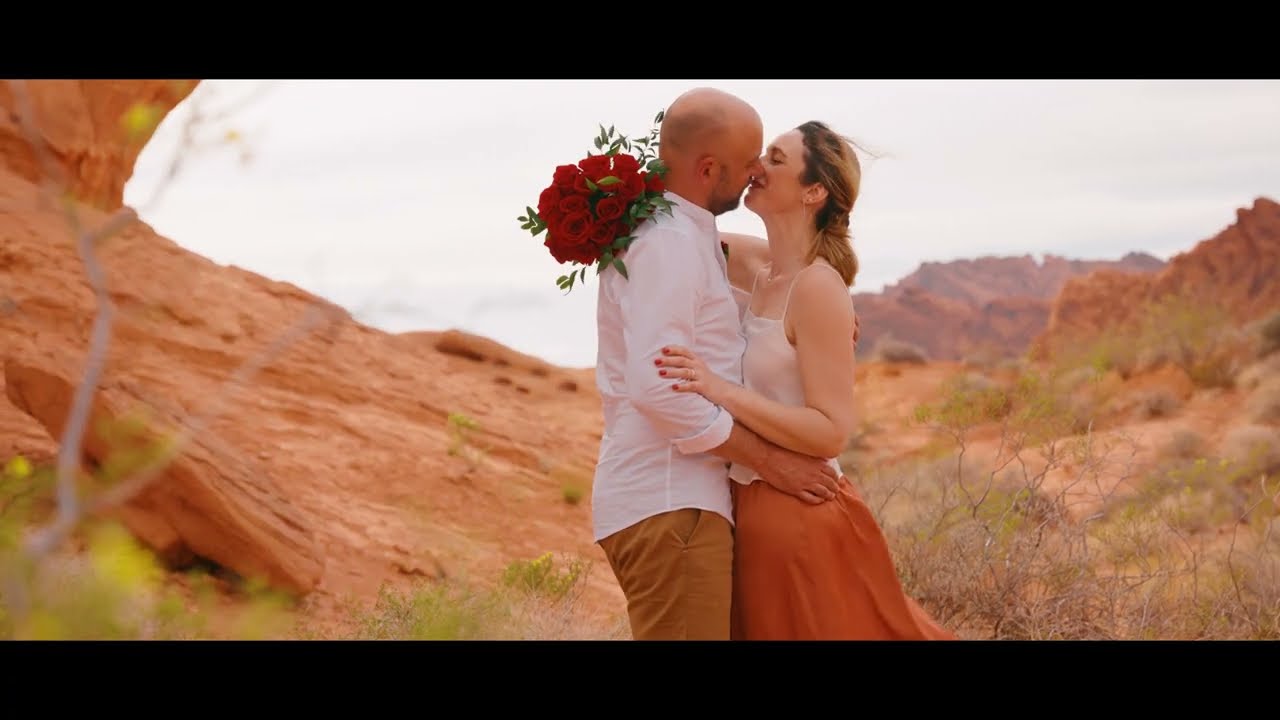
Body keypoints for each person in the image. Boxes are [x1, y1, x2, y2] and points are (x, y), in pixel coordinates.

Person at [653, 120, 958, 640]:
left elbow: (830, 430)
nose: (757, 168)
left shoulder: (818, 288)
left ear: (814, 191)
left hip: (799, 515)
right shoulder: (758, 268)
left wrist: (720, 389)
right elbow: (665, 221)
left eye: (774, 159)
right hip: (746, 507)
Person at [591, 88, 845, 641]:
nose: (756, 170)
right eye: (751, 158)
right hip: (671, 503)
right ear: (708, 169)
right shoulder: (671, 243)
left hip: (681, 504)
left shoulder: (684, 235)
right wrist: (771, 462)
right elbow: (661, 391)